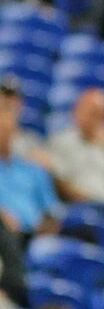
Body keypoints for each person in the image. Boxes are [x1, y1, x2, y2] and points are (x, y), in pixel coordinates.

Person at [0, 79, 59, 236]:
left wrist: (44, 229)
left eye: (9, 117)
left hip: (32, 237)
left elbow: (51, 212)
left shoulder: (32, 167)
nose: (5, 124)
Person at [44, 87, 104, 206]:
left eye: (103, 114)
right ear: (78, 110)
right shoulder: (62, 142)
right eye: (94, 112)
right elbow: (59, 184)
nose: (98, 119)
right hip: (77, 207)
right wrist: (89, 200)